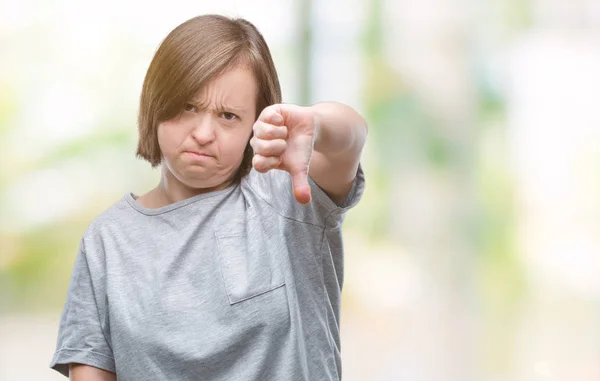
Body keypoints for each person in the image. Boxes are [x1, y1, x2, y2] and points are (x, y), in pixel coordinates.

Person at [50, 14, 367, 381]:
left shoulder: (285, 196)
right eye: (188, 106)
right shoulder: (107, 240)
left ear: (256, 123)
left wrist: (316, 123)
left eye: (228, 116)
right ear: (156, 102)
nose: (203, 133)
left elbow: (351, 138)